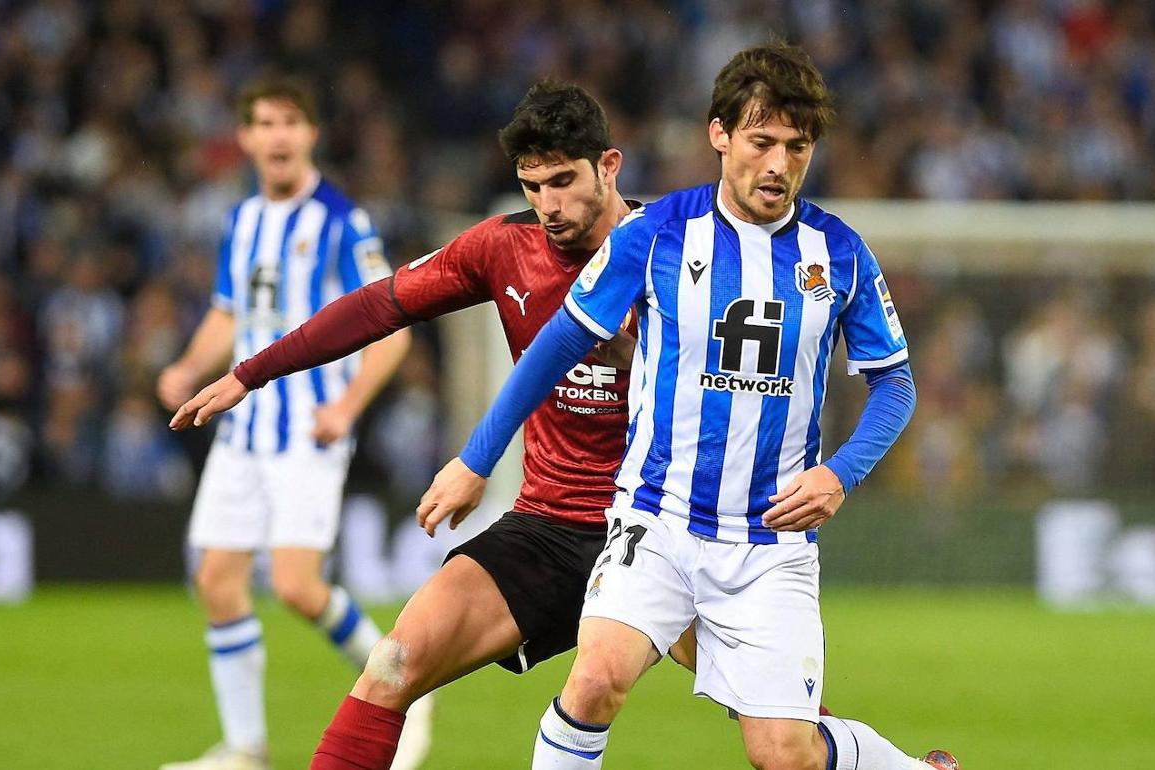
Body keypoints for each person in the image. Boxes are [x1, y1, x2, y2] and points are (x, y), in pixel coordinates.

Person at [419, 42, 960, 770]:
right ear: (719, 135)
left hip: (769, 543)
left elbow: (895, 384)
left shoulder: (840, 253)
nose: (778, 164)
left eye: (796, 147)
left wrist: (840, 474)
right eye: (761, 141)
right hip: (657, 518)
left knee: (785, 755)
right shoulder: (655, 235)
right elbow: (553, 349)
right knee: (596, 679)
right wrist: (475, 458)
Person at [171, 81, 717, 770]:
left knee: (779, 730)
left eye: (564, 181)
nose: (548, 205)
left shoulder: (685, 258)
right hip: (550, 526)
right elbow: (379, 307)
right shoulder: (503, 248)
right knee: (394, 661)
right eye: (532, 186)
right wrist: (251, 372)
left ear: (609, 166)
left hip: (666, 526)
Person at [155, 78, 420, 770]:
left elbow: (393, 330)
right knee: (217, 578)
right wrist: (188, 368)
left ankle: (401, 687)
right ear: (243, 138)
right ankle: (246, 748)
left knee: (298, 586)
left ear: (311, 135)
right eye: (263, 123)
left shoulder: (341, 221)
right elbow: (227, 312)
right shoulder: (241, 219)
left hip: (307, 426)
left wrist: (347, 405)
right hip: (242, 431)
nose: (276, 135)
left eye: (290, 122)